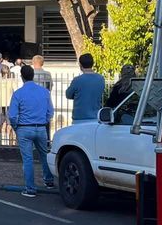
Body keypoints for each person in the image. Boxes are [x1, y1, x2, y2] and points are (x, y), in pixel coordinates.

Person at [8, 64, 56, 197]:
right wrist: (43, 121)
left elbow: (12, 115)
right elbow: (50, 112)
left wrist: (16, 126)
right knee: (44, 155)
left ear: (21, 76)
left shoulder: (18, 93)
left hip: (24, 128)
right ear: (33, 75)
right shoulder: (44, 92)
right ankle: (49, 180)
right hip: (40, 127)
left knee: (28, 159)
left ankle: (30, 188)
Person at [65, 53, 106, 121]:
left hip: (79, 118)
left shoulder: (77, 80)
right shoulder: (100, 79)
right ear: (92, 64)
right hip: (95, 117)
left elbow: (68, 95)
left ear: (80, 65)